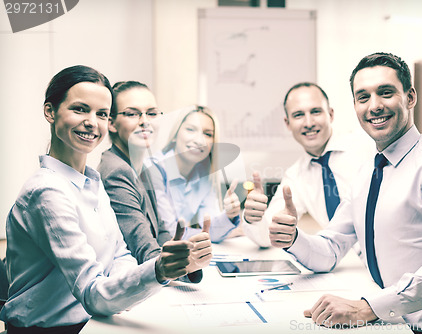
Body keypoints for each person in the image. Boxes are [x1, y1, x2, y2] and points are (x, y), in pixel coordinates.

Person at [269, 53, 422, 333]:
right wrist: (293, 238)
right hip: (390, 323)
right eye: (363, 97)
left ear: (410, 97)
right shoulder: (367, 173)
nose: (375, 106)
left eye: (385, 92)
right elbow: (330, 250)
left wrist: (367, 307)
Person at [0, 66, 193, 333]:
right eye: (80, 109)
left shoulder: (91, 181)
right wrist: (158, 270)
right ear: (50, 112)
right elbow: (93, 293)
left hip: (96, 322)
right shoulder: (46, 192)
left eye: (101, 114)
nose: (93, 122)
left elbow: (121, 254)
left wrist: (118, 291)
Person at [97, 81, 212, 283]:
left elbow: (160, 231)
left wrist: (186, 258)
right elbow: (142, 246)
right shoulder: (116, 171)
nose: (144, 121)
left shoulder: (142, 168)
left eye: (151, 113)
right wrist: (183, 263)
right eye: (132, 113)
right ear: (112, 123)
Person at [243, 82, 372, 247]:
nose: (309, 122)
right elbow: (267, 236)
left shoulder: (367, 145)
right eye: (298, 115)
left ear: (331, 114)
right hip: (345, 263)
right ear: (287, 123)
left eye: (316, 112)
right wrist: (253, 218)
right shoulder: (296, 176)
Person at [146, 105, 241, 243]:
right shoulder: (154, 169)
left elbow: (209, 228)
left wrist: (230, 216)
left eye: (208, 134)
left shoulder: (204, 175)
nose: (199, 140)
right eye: (191, 130)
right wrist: (216, 233)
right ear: (175, 135)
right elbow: (169, 233)